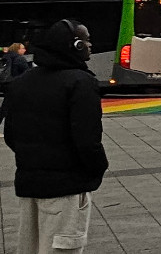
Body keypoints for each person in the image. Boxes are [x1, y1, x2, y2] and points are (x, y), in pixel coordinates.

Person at [2, 20, 109, 254]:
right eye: (87, 40)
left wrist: (33, 158)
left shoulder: (21, 82)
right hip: (67, 187)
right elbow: (87, 140)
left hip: (30, 184)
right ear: (76, 45)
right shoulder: (81, 83)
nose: (91, 45)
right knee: (62, 247)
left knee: (29, 247)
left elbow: (10, 133)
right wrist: (97, 169)